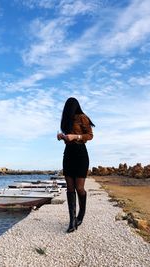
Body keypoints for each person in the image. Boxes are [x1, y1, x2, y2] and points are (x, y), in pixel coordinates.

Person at [57, 97, 95, 233]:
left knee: (79, 188)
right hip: (68, 154)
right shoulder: (66, 120)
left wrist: (75, 137)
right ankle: (72, 221)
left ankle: (81, 215)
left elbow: (90, 135)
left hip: (80, 154)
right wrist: (63, 136)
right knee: (70, 188)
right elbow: (68, 138)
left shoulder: (82, 117)